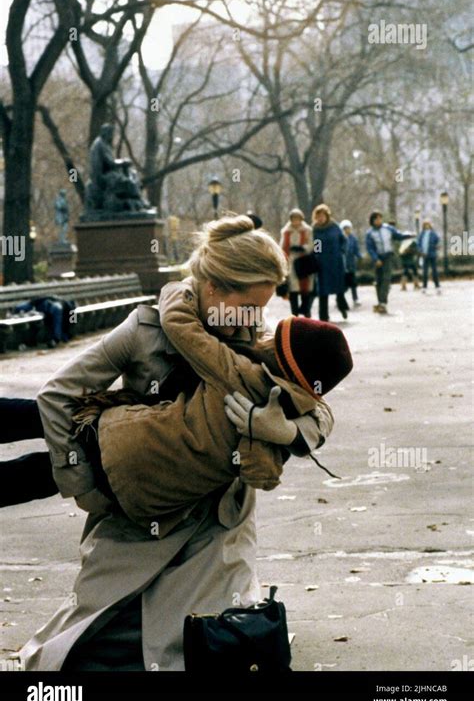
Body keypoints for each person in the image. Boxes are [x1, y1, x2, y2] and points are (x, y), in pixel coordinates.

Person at [16, 215, 332, 672]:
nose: (255, 320)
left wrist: (286, 431)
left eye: (262, 308)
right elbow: (57, 395)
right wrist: (82, 483)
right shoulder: (145, 329)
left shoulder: (254, 335)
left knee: (211, 647)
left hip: (218, 528)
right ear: (212, 290)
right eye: (248, 306)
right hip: (143, 514)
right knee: (80, 652)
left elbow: (318, 404)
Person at [69, 282, 351, 530]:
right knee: (41, 469)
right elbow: (262, 473)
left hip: (119, 443)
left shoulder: (237, 371)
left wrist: (182, 287)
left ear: (279, 356)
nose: (261, 333)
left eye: (272, 338)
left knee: (40, 435)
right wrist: (274, 437)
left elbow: (180, 325)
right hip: (153, 496)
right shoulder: (291, 401)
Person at [365, 212, 414, 314]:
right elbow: (370, 248)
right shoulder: (370, 233)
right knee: (379, 280)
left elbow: (398, 235)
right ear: (372, 221)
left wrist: (409, 235)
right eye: (376, 219)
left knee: (386, 279)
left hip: (388, 256)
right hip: (378, 257)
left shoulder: (388, 228)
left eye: (380, 218)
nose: (378, 221)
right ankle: (380, 302)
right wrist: (375, 259)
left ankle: (383, 302)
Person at [312, 204, 349, 322]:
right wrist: (317, 256)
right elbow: (316, 245)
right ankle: (323, 316)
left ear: (327, 216)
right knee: (323, 290)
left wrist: (342, 251)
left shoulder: (335, 227)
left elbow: (343, 240)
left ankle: (342, 308)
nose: (320, 218)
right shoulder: (315, 230)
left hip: (336, 261)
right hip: (323, 263)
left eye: (322, 216)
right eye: (318, 216)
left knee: (339, 287)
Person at [280, 208, 314, 317]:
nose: (296, 221)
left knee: (306, 288)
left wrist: (303, 248)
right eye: (294, 219)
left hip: (304, 262)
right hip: (291, 262)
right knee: (293, 289)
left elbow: (314, 244)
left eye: (298, 218)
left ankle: (306, 311)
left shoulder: (308, 230)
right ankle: (294, 314)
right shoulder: (285, 231)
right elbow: (281, 246)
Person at [340, 220, 361, 306]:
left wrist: (359, 256)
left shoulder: (353, 238)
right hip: (342, 264)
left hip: (351, 264)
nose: (347, 230)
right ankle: (340, 299)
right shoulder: (340, 238)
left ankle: (355, 299)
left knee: (353, 283)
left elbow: (356, 250)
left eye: (348, 228)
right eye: (345, 228)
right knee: (343, 284)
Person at [417, 219, 441, 294]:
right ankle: (424, 287)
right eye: (425, 224)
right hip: (425, 254)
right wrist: (421, 251)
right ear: (423, 226)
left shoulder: (433, 233)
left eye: (428, 224)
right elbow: (419, 244)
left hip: (432, 254)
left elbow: (438, 241)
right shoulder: (422, 234)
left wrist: (436, 246)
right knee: (425, 272)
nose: (427, 226)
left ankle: (437, 286)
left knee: (434, 271)